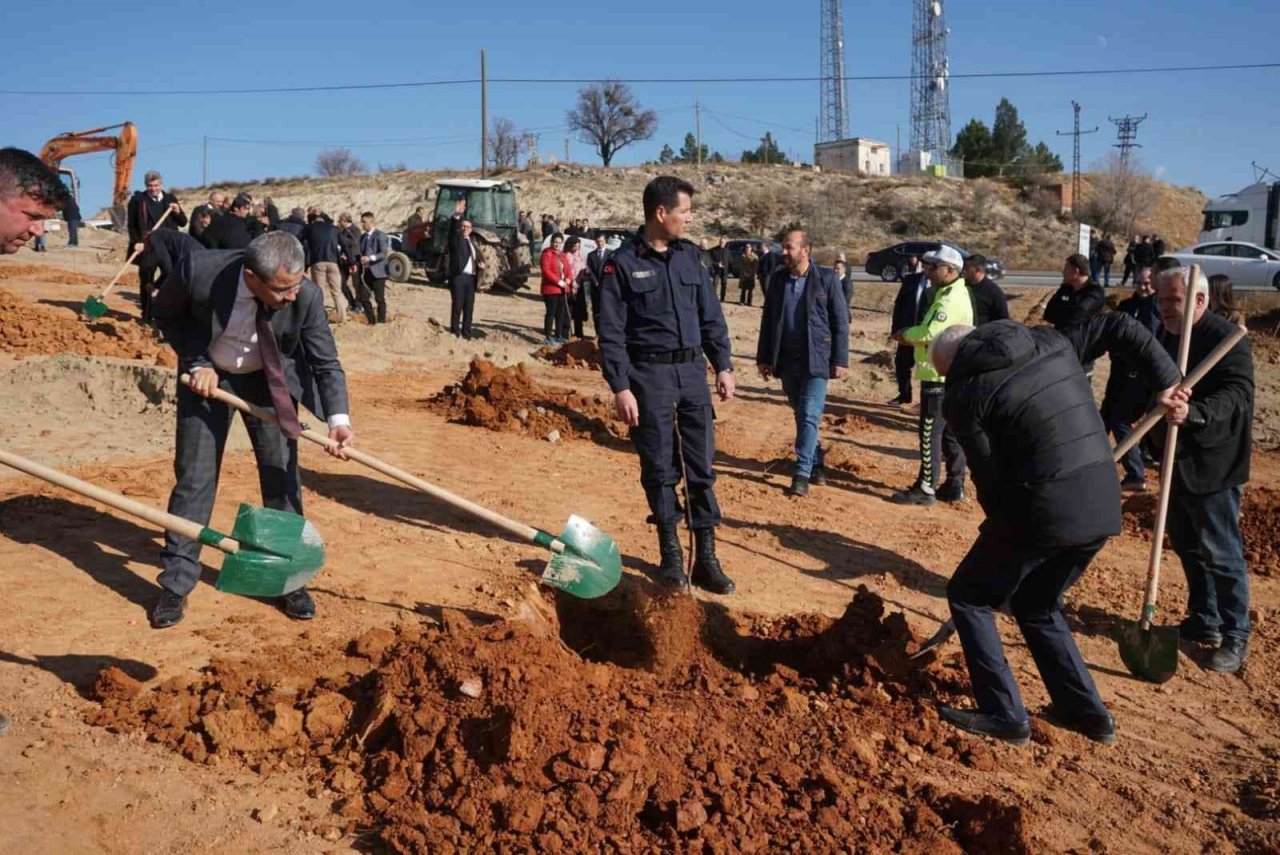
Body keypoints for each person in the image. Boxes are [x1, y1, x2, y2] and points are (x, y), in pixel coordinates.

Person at [928, 313, 1182, 745]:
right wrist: (1168, 380)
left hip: (1043, 506)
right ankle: (1088, 714)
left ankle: (1004, 714)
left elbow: (988, 476)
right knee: (1036, 603)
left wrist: (997, 532)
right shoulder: (1051, 341)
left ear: (954, 364)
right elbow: (1119, 325)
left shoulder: (963, 394)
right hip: (1102, 500)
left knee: (969, 595)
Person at [150, 231, 354, 629]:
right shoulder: (200, 272)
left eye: (296, 284)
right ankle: (176, 584)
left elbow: (325, 362)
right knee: (194, 477)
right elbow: (166, 313)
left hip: (269, 381)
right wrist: (196, 361)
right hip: (206, 380)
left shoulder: (306, 295)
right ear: (251, 277)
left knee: (282, 477)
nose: (292, 295)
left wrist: (339, 421)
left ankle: (285, 578)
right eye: (282, 289)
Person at [597, 175, 736, 594]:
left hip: (692, 373)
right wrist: (621, 387)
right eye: (684, 212)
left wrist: (723, 365)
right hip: (649, 377)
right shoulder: (621, 264)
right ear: (661, 213)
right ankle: (671, 554)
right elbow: (611, 332)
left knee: (701, 467)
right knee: (659, 467)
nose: (689, 220)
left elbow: (711, 316)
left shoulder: (691, 258)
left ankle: (706, 557)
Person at [1151, 265, 1255, 673]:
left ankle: (1236, 633)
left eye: (1172, 300)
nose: (1164, 309)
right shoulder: (1167, 336)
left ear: (1199, 299)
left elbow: (1238, 396)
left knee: (1221, 552)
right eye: (1160, 301)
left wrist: (1193, 413)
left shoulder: (1227, 340)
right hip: (1175, 460)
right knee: (1189, 545)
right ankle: (1204, 619)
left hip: (1214, 464)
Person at [755, 230, 849, 496]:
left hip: (816, 359)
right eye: (783, 247)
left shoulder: (827, 279)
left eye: (789, 247)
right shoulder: (778, 280)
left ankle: (802, 473)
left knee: (809, 414)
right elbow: (769, 321)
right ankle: (816, 460)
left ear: (805, 250)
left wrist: (840, 359)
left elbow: (840, 321)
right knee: (801, 413)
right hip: (786, 360)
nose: (783, 252)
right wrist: (764, 357)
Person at [890, 245, 973, 505]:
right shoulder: (950, 292)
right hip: (947, 372)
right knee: (948, 433)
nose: (927, 271)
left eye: (933, 267)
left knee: (930, 432)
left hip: (938, 375)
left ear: (950, 270)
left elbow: (930, 332)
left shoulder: (949, 299)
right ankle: (954, 483)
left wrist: (905, 335)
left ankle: (926, 488)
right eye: (927, 266)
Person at [1100, 266, 1161, 491]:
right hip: (1119, 372)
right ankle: (1092, 465)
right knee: (1103, 419)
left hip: (1140, 377)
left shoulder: (1158, 310)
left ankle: (1135, 474)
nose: (1143, 287)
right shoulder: (1126, 307)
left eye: (1147, 283)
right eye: (1140, 282)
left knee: (1120, 421)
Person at [127, 171, 188, 325]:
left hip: (168, 247)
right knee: (146, 276)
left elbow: (183, 222)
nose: (153, 189)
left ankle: (169, 314)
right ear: (146, 186)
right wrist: (136, 242)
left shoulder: (170, 199)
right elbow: (132, 226)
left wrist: (177, 211)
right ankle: (147, 315)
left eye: (156, 185)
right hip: (148, 246)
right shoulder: (137, 201)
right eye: (150, 186)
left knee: (171, 276)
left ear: (161, 184)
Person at [1045, 254, 1107, 376]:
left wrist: (1063, 310)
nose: (1063, 271)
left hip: (1082, 354)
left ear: (1076, 271)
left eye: (1066, 268)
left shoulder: (1095, 292)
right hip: (1060, 349)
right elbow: (1049, 314)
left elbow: (1077, 315)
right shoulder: (1065, 289)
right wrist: (1068, 312)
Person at [888, 254, 927, 406]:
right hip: (907, 332)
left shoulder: (940, 286)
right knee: (902, 364)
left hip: (927, 335)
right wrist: (895, 329)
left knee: (927, 368)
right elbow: (899, 305)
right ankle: (904, 395)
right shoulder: (911, 280)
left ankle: (927, 401)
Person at [447, 199, 483, 339]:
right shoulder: (457, 239)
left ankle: (467, 333)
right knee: (457, 306)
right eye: (463, 226)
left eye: (467, 227)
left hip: (471, 279)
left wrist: (480, 264)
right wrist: (457, 215)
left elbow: (476, 257)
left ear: (471, 229)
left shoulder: (472, 242)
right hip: (459, 277)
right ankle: (455, 332)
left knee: (469, 307)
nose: (465, 228)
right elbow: (453, 230)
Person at [305, 211, 347, 324]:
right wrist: (352, 262)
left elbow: (303, 243)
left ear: (314, 220)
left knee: (319, 290)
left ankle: (321, 318)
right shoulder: (334, 229)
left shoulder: (310, 228)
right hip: (333, 262)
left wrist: (305, 265)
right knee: (336, 291)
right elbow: (345, 245)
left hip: (318, 263)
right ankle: (342, 317)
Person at [357, 211, 389, 324]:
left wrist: (370, 258)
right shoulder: (362, 237)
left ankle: (381, 323)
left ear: (371, 221)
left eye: (364, 222)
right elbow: (360, 252)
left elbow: (384, 253)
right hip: (366, 273)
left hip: (378, 272)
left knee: (379, 299)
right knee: (363, 297)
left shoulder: (380, 235)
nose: (362, 224)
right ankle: (371, 321)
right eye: (361, 222)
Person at [539, 233, 572, 344]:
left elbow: (568, 269)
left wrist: (568, 279)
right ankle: (548, 336)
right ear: (552, 242)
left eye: (559, 242)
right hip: (551, 289)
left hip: (563, 289)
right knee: (551, 313)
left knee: (560, 313)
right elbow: (546, 271)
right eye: (555, 242)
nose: (557, 244)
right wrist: (558, 282)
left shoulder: (562, 255)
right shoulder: (546, 254)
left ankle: (559, 334)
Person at [961, 254, 1010, 326]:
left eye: (967, 268)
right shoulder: (961, 286)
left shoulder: (993, 292)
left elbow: (1003, 319)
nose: (964, 270)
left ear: (978, 270)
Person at [564, 234, 592, 339]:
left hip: (580, 287)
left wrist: (579, 282)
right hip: (569, 286)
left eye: (578, 246)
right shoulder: (566, 256)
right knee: (568, 311)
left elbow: (583, 271)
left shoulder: (579, 256)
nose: (577, 248)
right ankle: (567, 332)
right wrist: (572, 282)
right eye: (575, 246)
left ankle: (579, 332)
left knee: (579, 311)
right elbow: (567, 270)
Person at [336, 213, 362, 315]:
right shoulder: (341, 231)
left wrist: (341, 238)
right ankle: (351, 303)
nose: (339, 223)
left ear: (345, 221)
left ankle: (358, 305)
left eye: (340, 221)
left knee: (356, 284)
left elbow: (353, 242)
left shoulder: (356, 230)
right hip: (343, 260)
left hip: (354, 259)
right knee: (341, 283)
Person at [584, 233, 610, 332]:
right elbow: (589, 270)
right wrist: (595, 282)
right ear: (595, 242)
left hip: (607, 288)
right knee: (596, 311)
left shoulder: (611, 254)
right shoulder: (591, 255)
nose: (600, 243)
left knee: (607, 311)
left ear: (605, 241)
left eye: (602, 241)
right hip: (595, 288)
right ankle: (597, 332)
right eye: (598, 241)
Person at [710, 237, 730, 302]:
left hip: (724, 271)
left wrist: (728, 268)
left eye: (723, 242)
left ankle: (722, 299)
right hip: (716, 270)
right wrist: (717, 264)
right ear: (719, 242)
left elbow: (730, 261)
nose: (722, 243)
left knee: (724, 285)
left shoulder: (727, 251)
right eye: (721, 242)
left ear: (725, 243)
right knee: (714, 284)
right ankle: (713, 298)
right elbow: (711, 261)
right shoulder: (714, 250)